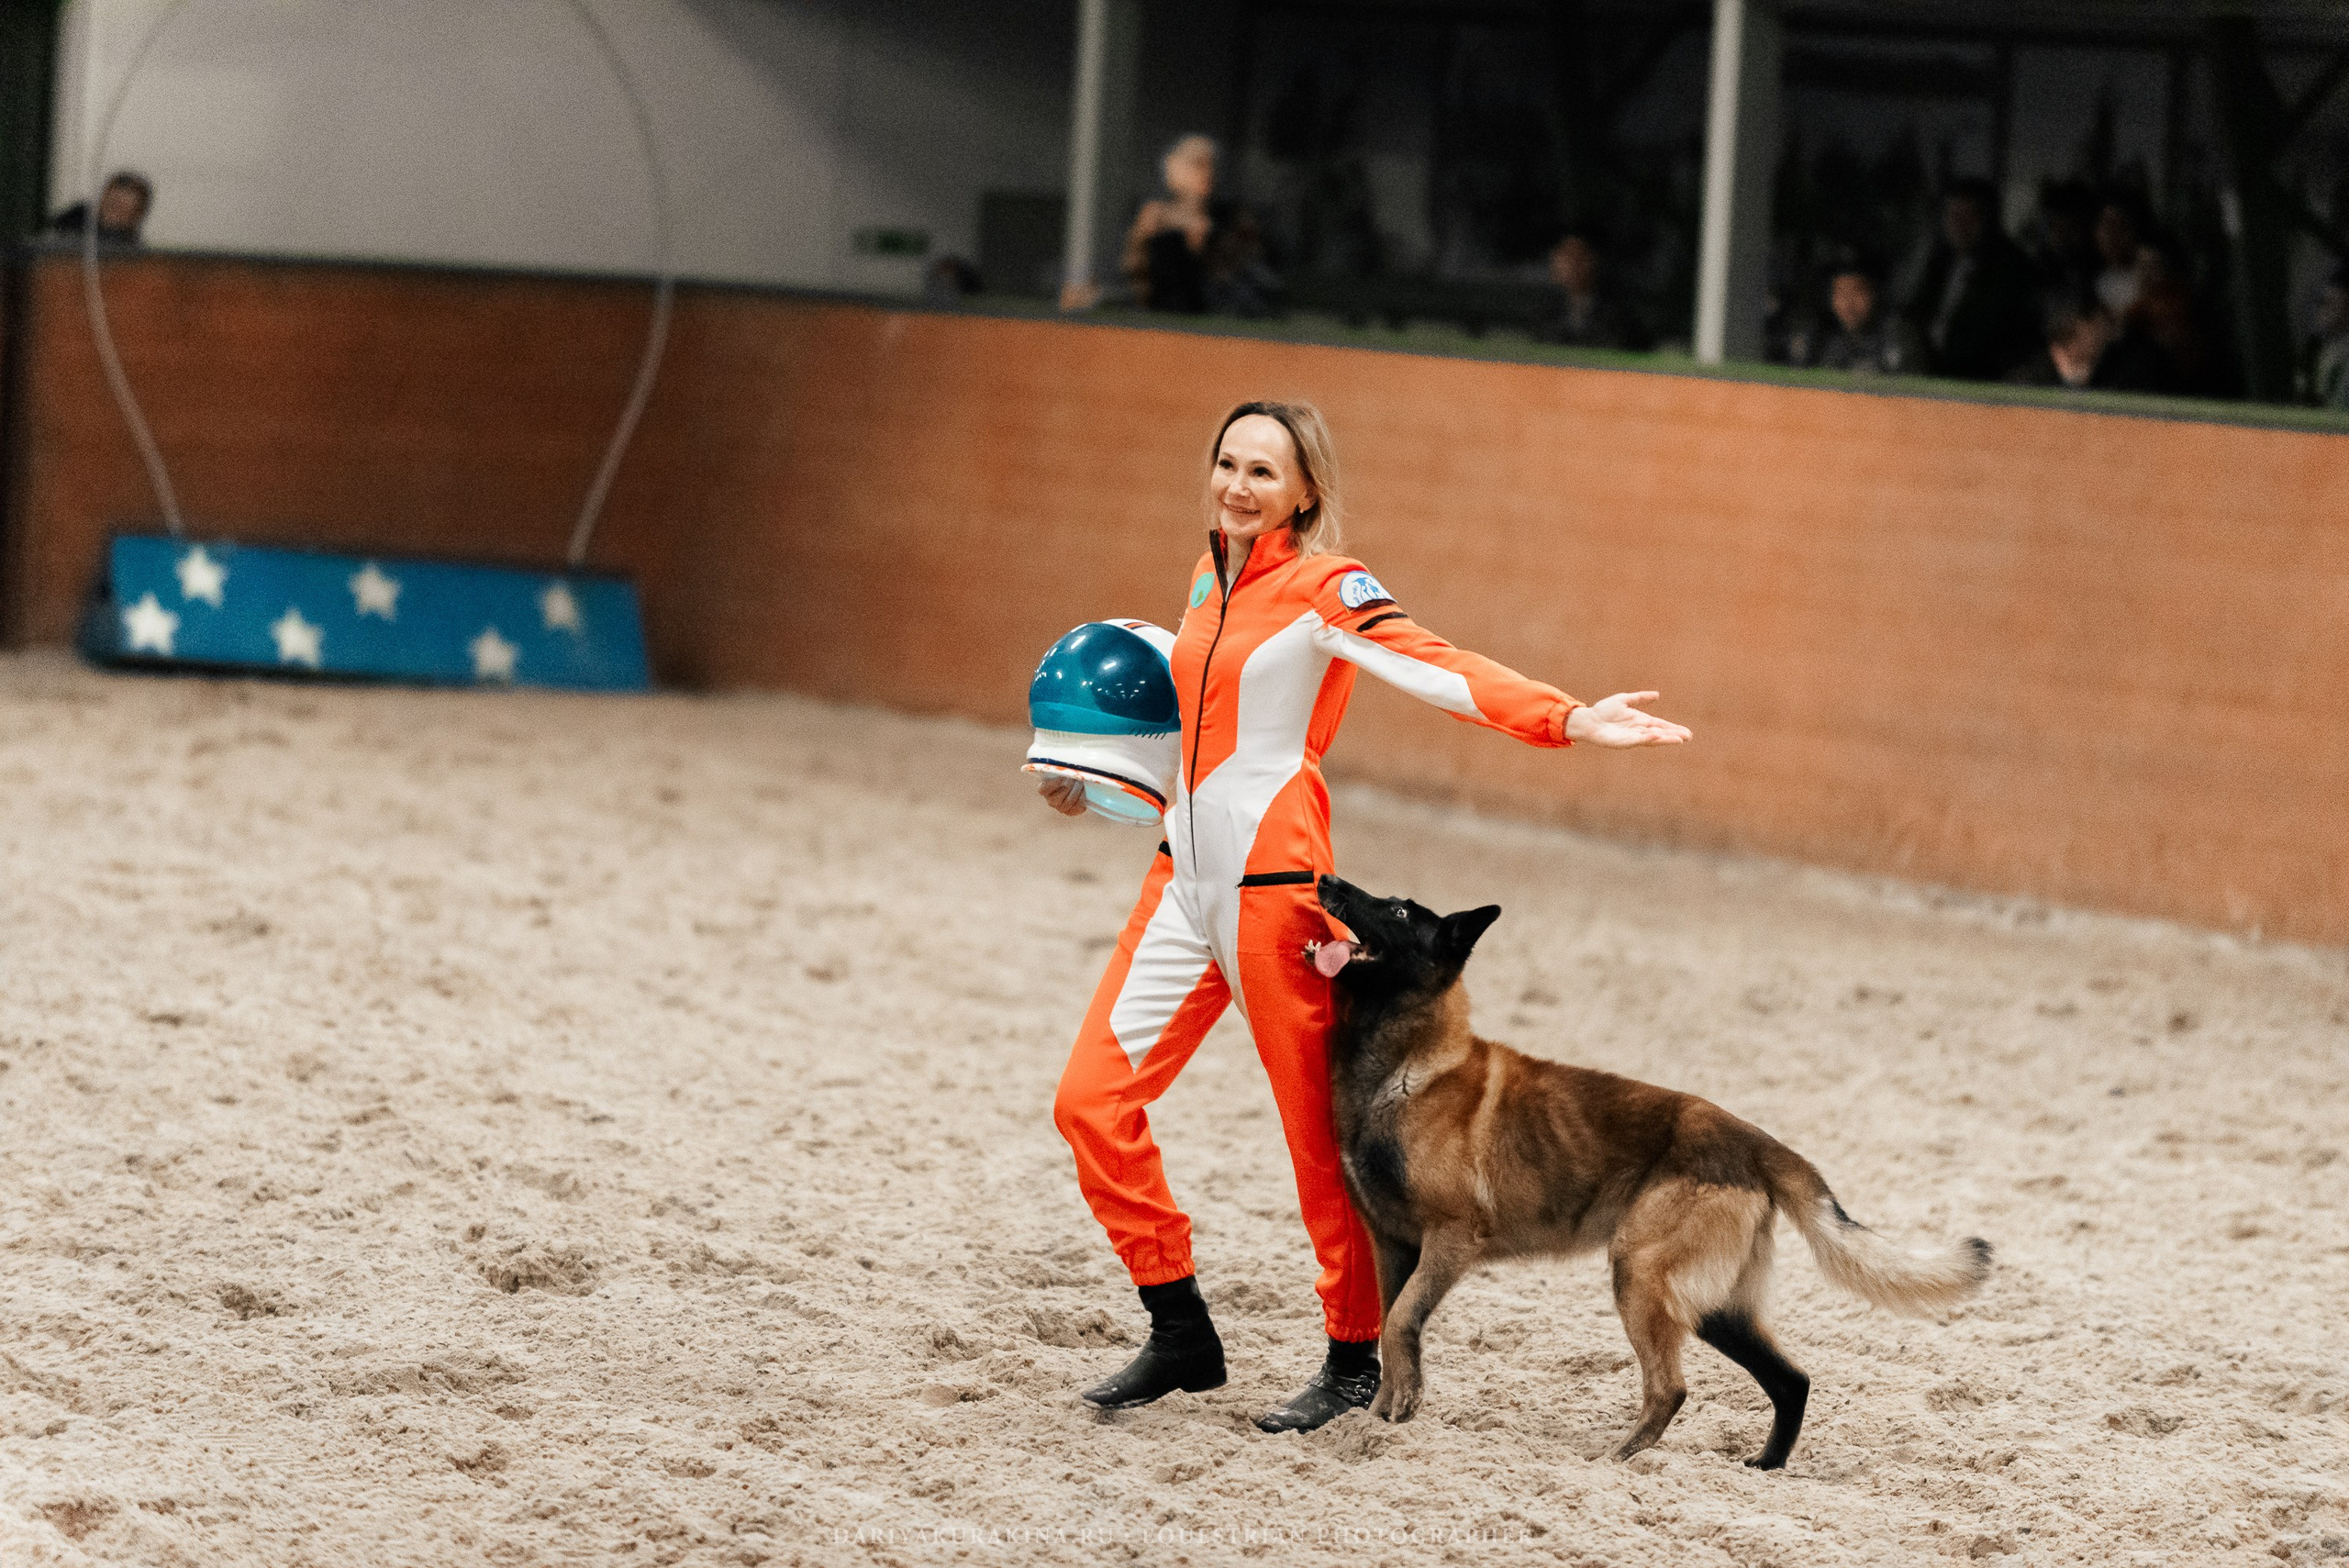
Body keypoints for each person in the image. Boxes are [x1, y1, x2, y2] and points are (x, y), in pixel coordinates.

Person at [1045, 400, 1689, 1433]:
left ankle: (1352, 1356)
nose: (1238, 485)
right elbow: (1194, 736)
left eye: (1264, 471)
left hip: (1274, 896)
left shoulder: (1326, 588)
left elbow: (1438, 664)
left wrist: (1567, 717)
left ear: (1305, 491)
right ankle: (1179, 1327)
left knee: (1320, 1146)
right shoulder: (1207, 579)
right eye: (1227, 463)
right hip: (1179, 884)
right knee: (1088, 1102)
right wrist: (1097, 779)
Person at [1905, 178, 2041, 382]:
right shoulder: (1938, 264)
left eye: (1967, 217)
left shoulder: (2011, 268)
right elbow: (1915, 312)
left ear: (1986, 220)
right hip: (1927, 373)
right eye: (1952, 215)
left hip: (1979, 379)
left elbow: (2005, 335)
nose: (1958, 225)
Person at [1532, 230, 1649, 350]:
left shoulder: (1616, 310)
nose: (1570, 264)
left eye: (1577, 256)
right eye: (1563, 256)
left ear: (1593, 260)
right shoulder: (1544, 308)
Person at [1807, 263, 1924, 375]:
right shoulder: (1828, 339)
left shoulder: (1897, 334)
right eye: (1841, 294)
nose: (1848, 304)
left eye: (1857, 293)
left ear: (1874, 294)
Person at [50, 171, 152, 245]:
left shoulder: (135, 253)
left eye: (123, 209)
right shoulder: (71, 230)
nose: (115, 214)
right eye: (112, 205)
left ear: (137, 215)